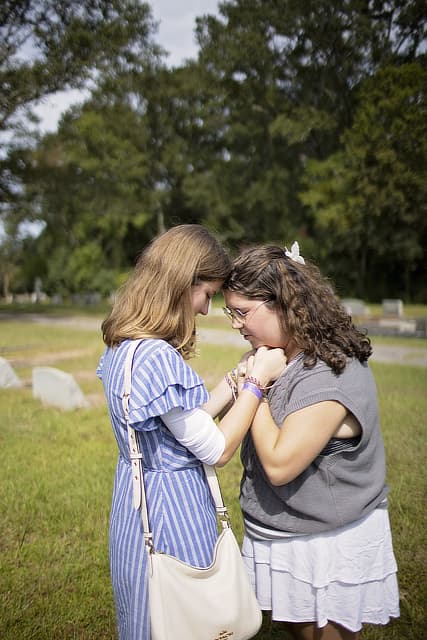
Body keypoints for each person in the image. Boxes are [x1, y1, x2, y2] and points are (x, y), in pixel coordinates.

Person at [97, 224, 286, 640]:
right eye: (206, 295)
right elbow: (215, 448)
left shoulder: (124, 347)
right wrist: (258, 382)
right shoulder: (158, 355)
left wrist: (233, 385)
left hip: (136, 500)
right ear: (183, 284)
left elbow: (180, 421)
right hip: (171, 508)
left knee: (150, 607)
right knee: (189, 608)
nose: (204, 309)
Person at [221, 242, 400, 640]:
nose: (236, 324)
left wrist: (255, 386)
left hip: (325, 542)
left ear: (282, 303)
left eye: (243, 312)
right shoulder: (278, 354)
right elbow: (219, 424)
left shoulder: (331, 370)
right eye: (231, 312)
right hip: (282, 532)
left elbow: (280, 465)